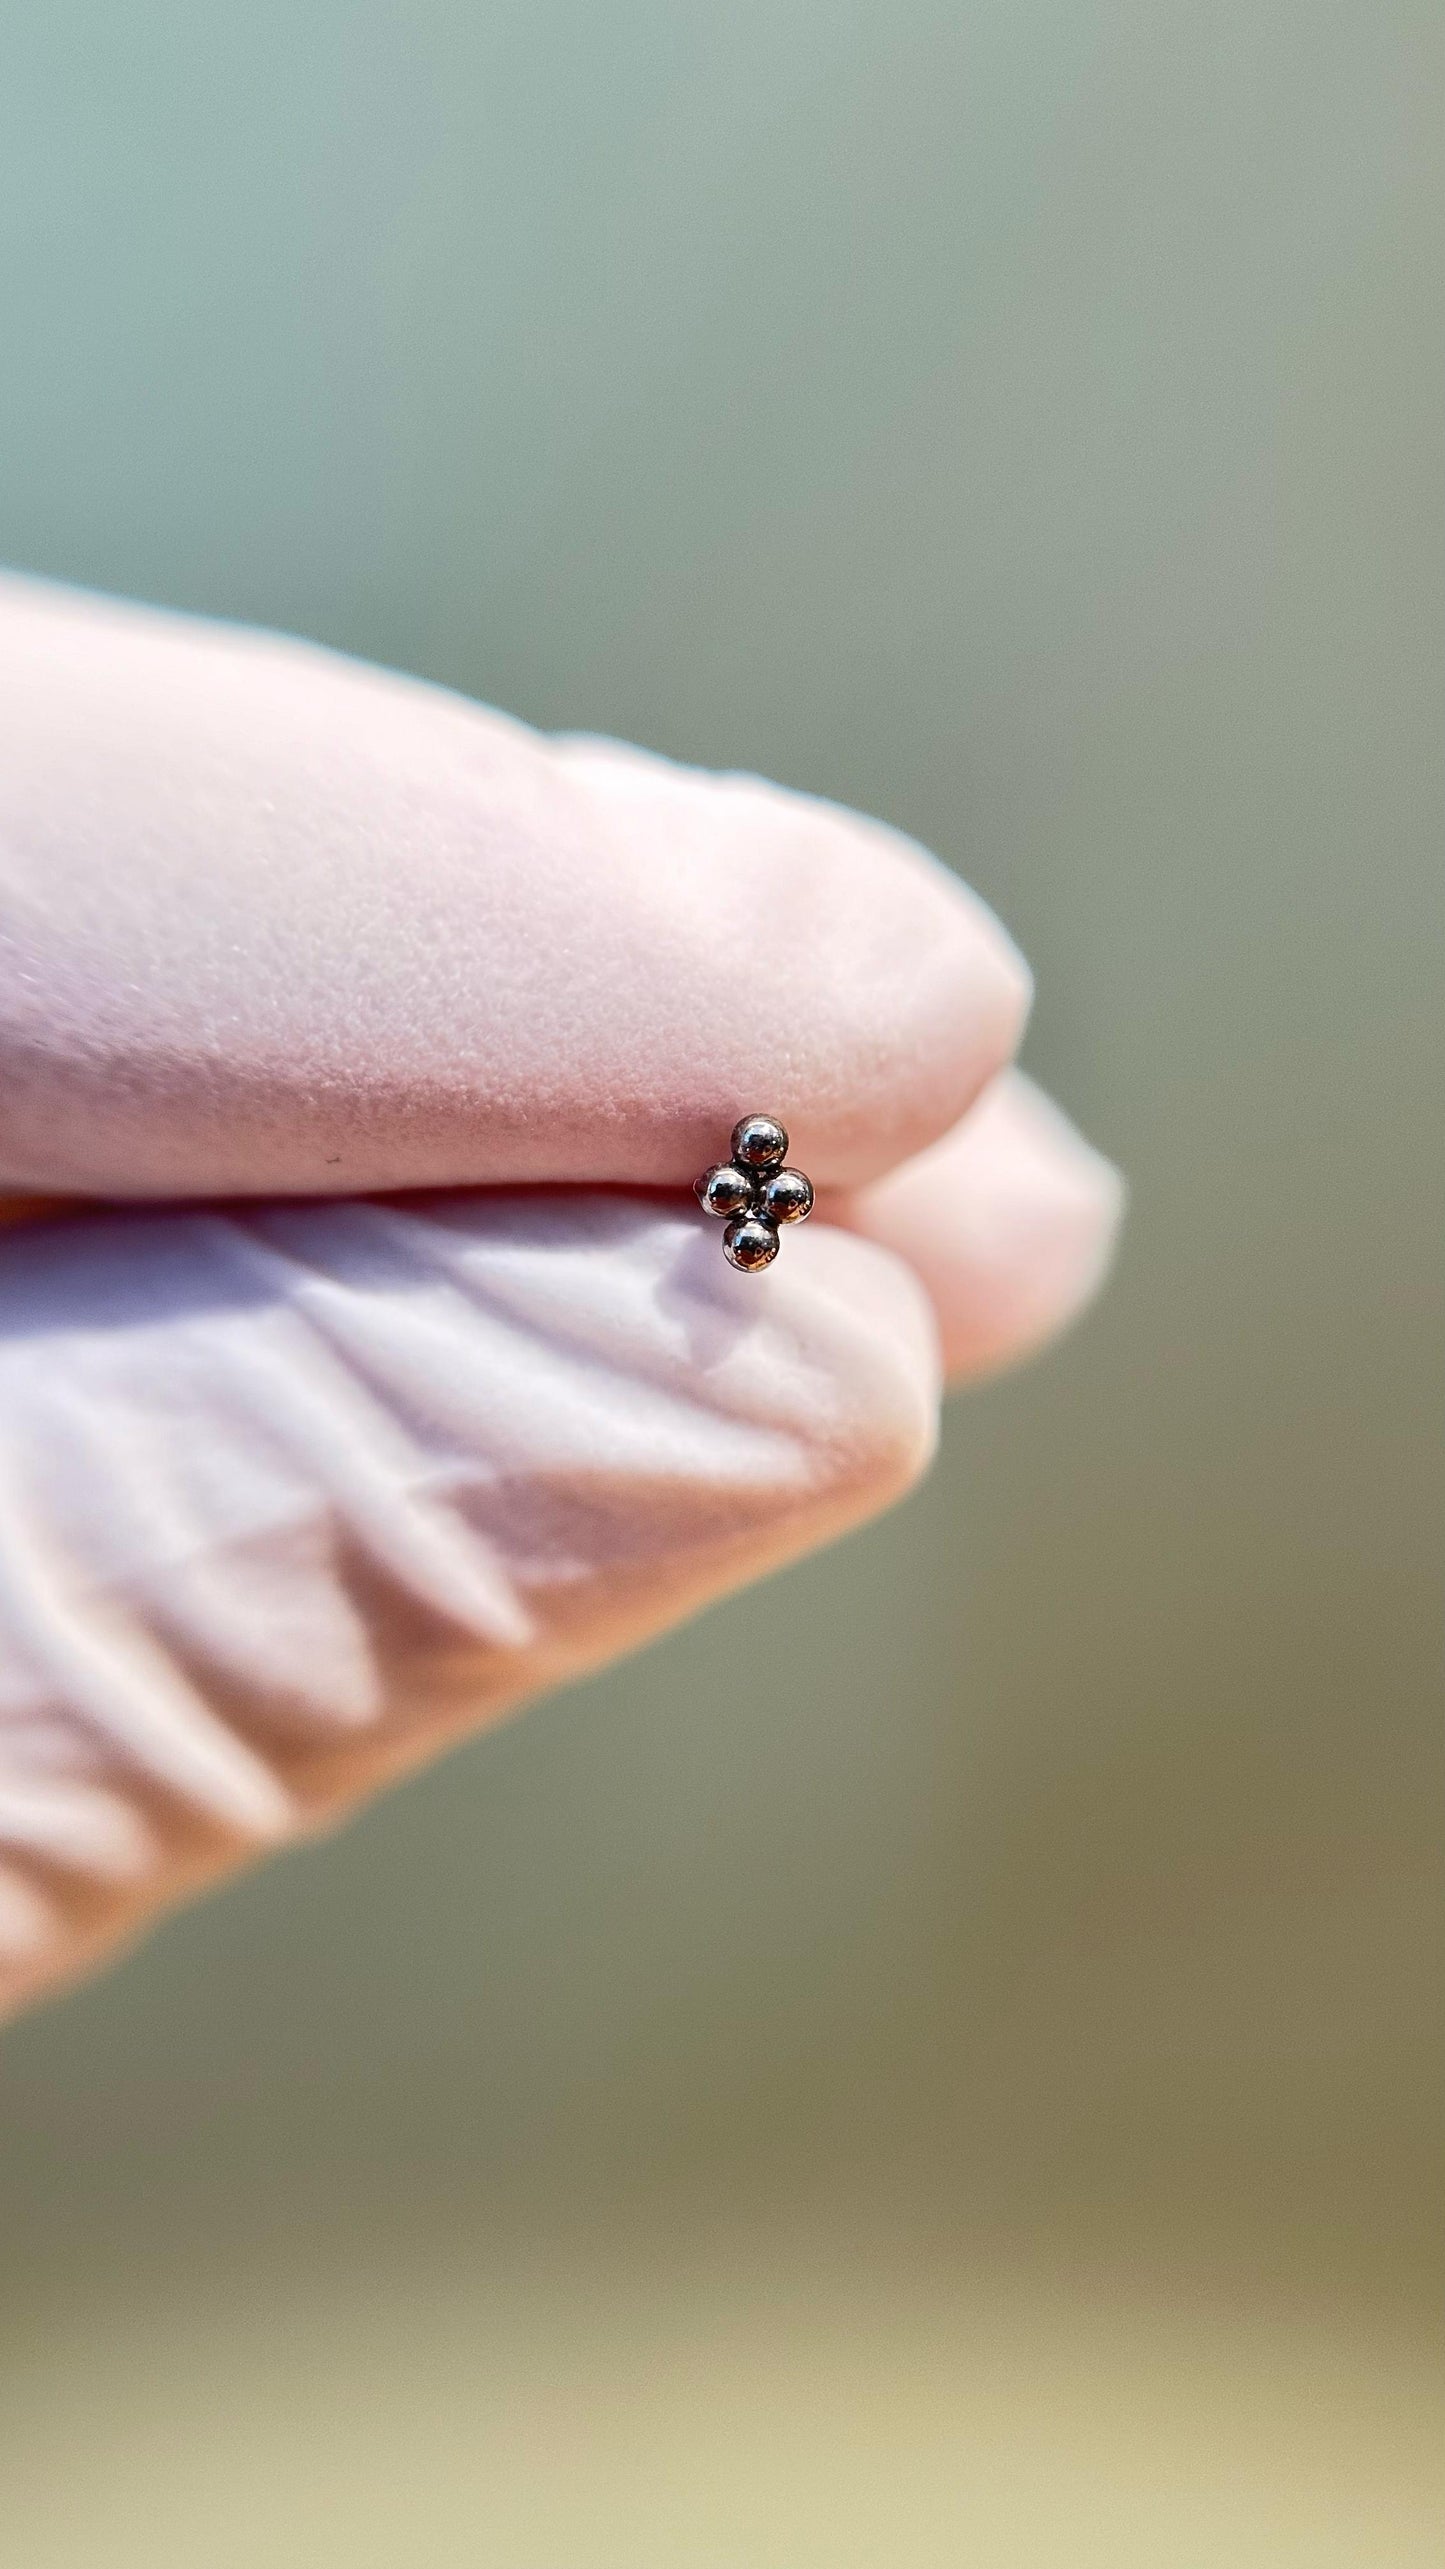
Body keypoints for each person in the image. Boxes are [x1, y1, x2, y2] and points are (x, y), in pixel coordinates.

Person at [0, 574, 1123, 2017]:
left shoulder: (748, 1187)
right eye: (758, 1180)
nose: (762, 1184)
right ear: (752, 1181)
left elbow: (753, 1198)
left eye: (762, 1182)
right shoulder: (743, 1178)